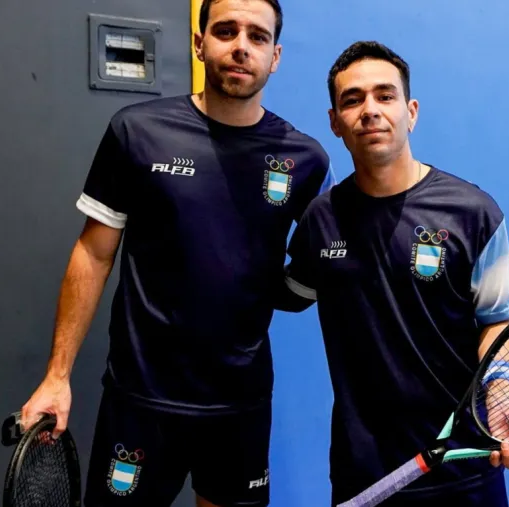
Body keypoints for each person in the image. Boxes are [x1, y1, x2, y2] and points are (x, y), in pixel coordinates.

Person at [20, 1, 335, 506]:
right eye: (226, 31)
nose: (241, 46)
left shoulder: (306, 159)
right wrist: (57, 377)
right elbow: (93, 254)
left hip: (240, 403)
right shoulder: (137, 131)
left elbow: (331, 257)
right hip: (140, 399)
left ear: (274, 56)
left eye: (257, 36)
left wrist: (290, 291)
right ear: (199, 43)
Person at [278, 41, 509, 506]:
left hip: (463, 465)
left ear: (411, 113)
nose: (370, 110)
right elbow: (291, 291)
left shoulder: (472, 212)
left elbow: (500, 317)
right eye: (353, 99)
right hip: (362, 470)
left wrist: (504, 393)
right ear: (335, 122)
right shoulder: (321, 220)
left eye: (385, 95)